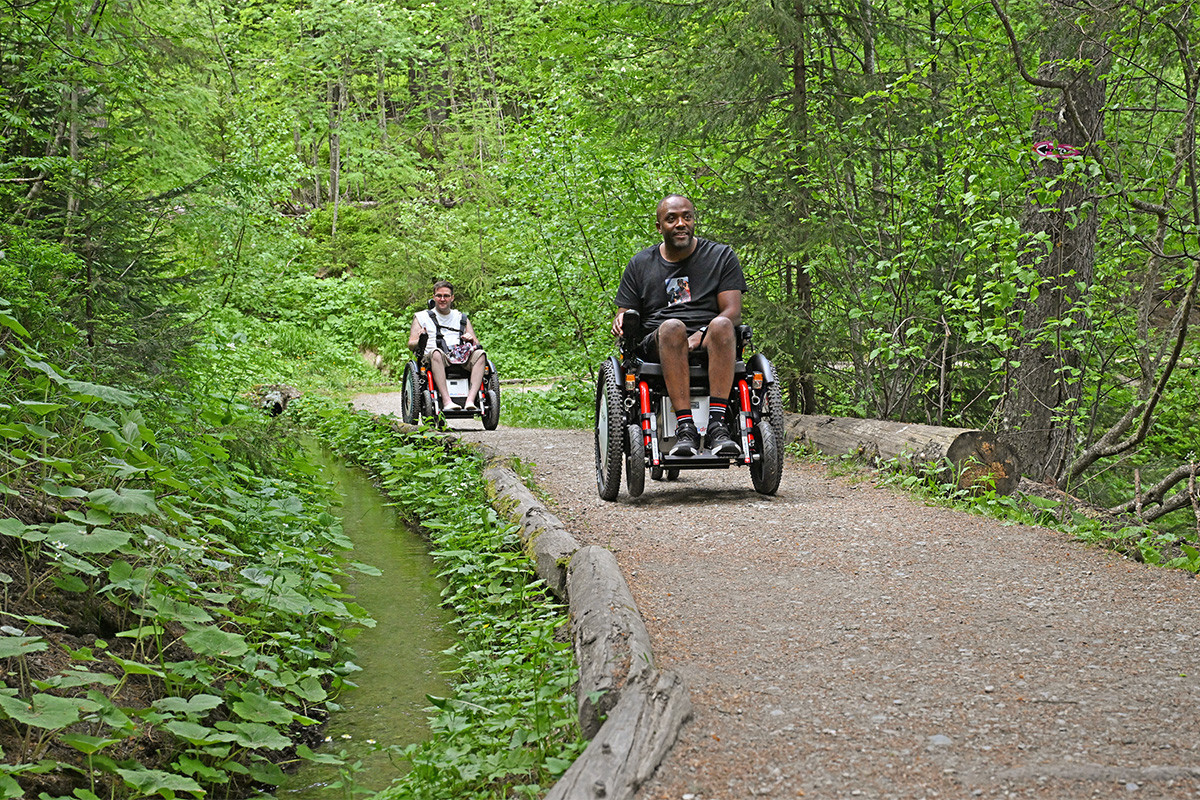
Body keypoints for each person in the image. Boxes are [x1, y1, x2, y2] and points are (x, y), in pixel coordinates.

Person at [611, 194, 748, 457]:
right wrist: (622, 317)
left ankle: (718, 426)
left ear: (694, 220)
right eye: (671, 219)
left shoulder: (720, 256)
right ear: (659, 227)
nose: (681, 223)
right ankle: (685, 428)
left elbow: (733, 311)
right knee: (672, 326)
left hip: (710, 338)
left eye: (687, 216)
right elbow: (626, 312)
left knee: (722, 324)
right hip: (659, 340)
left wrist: (699, 335)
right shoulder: (640, 264)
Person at [408, 281, 487, 411]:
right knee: (436, 353)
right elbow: (411, 344)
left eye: (446, 296)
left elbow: (477, 343)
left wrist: (471, 339)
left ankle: (470, 401)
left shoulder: (461, 317)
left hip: (460, 355)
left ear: (452, 297)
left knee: (481, 355)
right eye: (439, 296)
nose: (442, 299)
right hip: (434, 357)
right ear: (433, 297)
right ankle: (447, 401)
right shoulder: (421, 317)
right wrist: (421, 339)